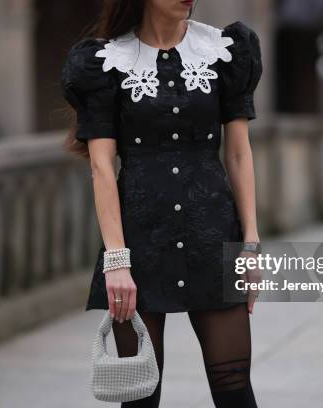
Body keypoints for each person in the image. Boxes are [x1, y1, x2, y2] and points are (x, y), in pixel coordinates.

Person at [60, 0, 263, 406]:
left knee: (235, 391)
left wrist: (252, 245)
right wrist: (117, 260)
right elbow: (102, 167)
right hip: (139, 249)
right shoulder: (104, 63)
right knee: (140, 398)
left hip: (212, 241)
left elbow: (239, 154)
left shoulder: (224, 51)